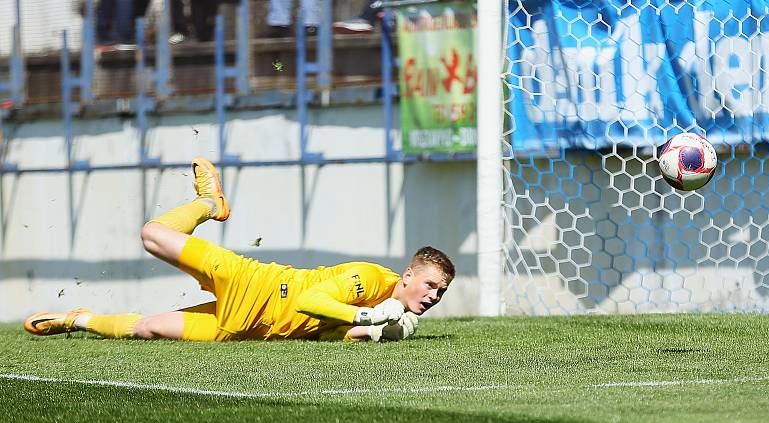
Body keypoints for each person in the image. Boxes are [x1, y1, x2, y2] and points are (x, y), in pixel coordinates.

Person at [24, 157, 455, 343]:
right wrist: (366, 316)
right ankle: (209, 203)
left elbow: (332, 333)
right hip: (251, 282)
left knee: (149, 329)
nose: (433, 296)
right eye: (431, 285)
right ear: (408, 275)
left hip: (247, 328)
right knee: (152, 234)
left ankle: (75, 319)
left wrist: (378, 333)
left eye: (441, 293)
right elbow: (309, 301)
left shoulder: (389, 312)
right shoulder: (368, 279)